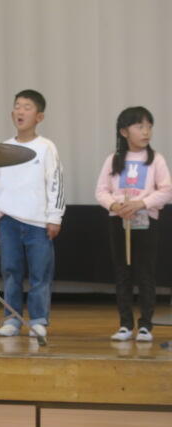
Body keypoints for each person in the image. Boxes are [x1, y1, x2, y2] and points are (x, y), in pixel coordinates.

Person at [0, 89, 65, 339]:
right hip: (9, 220)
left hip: (38, 222)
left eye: (27, 107)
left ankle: (38, 319)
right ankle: (12, 319)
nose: (20, 111)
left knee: (40, 274)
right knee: (11, 272)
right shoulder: (3, 148)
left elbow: (56, 182)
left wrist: (54, 217)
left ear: (39, 117)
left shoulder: (46, 147)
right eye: (17, 106)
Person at [95, 106, 172, 342]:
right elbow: (101, 191)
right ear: (124, 132)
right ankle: (125, 325)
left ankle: (146, 325)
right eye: (140, 126)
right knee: (122, 273)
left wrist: (141, 203)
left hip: (146, 222)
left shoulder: (156, 159)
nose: (146, 131)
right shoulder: (113, 159)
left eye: (149, 126)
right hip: (119, 222)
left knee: (145, 273)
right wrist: (115, 205)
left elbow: (167, 191)